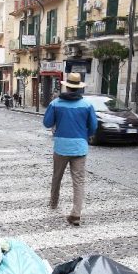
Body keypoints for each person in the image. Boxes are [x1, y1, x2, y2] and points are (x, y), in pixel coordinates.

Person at [42, 72, 98, 227]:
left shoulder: (56, 103)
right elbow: (93, 127)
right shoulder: (87, 105)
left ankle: (53, 203)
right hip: (80, 147)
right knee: (79, 181)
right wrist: (84, 135)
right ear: (79, 87)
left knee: (57, 176)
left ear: (66, 86)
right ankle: (76, 213)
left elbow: (47, 123)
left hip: (61, 147)